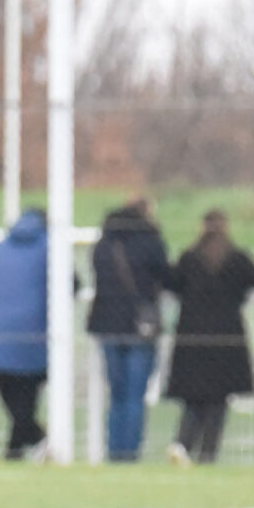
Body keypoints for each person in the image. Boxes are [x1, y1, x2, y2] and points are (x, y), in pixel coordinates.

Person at [165, 210, 254, 465]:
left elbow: (171, 283)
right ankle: (208, 454)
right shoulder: (237, 260)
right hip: (226, 341)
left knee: (193, 399)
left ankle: (183, 444)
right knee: (218, 400)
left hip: (192, 339)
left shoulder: (189, 258)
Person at [86, 197, 173, 462]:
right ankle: (130, 453)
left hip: (107, 325)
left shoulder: (104, 244)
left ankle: (115, 452)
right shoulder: (151, 243)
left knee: (117, 395)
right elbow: (168, 277)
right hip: (139, 327)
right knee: (135, 396)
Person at [0, 208, 53, 459]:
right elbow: (69, 283)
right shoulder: (50, 247)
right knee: (25, 407)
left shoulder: (2, 248)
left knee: (16, 407)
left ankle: (17, 451)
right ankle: (33, 444)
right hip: (34, 339)